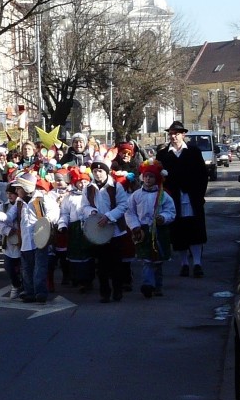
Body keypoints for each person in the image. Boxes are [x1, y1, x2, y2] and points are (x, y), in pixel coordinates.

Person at [0, 172, 59, 303]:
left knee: (40, 268)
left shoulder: (42, 198)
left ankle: (40, 292)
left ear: (27, 188)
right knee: (26, 269)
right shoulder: (19, 202)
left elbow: (54, 212)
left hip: (40, 240)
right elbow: (9, 217)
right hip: (25, 241)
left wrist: (47, 220)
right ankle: (29, 292)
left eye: (18, 188)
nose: (16, 190)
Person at [156, 120, 209, 278]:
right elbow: (159, 178)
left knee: (195, 230)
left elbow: (202, 175)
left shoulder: (193, 152)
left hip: (192, 197)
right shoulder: (163, 154)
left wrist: (199, 195)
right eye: (171, 134)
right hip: (173, 198)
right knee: (178, 232)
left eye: (177, 134)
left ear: (183, 134)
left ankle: (197, 263)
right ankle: (184, 263)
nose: (174, 137)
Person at [125, 159, 176, 298]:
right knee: (147, 261)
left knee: (157, 262)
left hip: (159, 231)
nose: (148, 179)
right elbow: (129, 211)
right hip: (143, 231)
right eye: (146, 176)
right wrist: (134, 226)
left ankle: (157, 286)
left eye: (151, 176)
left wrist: (163, 217)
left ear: (157, 178)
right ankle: (148, 285)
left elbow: (171, 211)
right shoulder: (136, 195)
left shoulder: (163, 195)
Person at [83, 156, 129, 303]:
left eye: (100, 170)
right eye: (95, 170)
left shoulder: (116, 186)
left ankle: (117, 289)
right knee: (101, 265)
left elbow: (123, 205)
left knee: (116, 263)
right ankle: (105, 292)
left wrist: (109, 217)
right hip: (98, 232)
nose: (98, 173)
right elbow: (84, 206)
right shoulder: (89, 188)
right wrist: (92, 212)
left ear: (106, 172)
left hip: (114, 231)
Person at [58, 167, 95, 293]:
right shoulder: (69, 197)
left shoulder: (93, 194)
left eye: (85, 182)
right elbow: (64, 213)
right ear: (75, 182)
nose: (82, 184)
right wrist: (62, 224)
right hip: (75, 228)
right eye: (80, 182)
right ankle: (77, 278)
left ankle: (88, 280)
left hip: (89, 226)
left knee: (89, 254)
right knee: (75, 254)